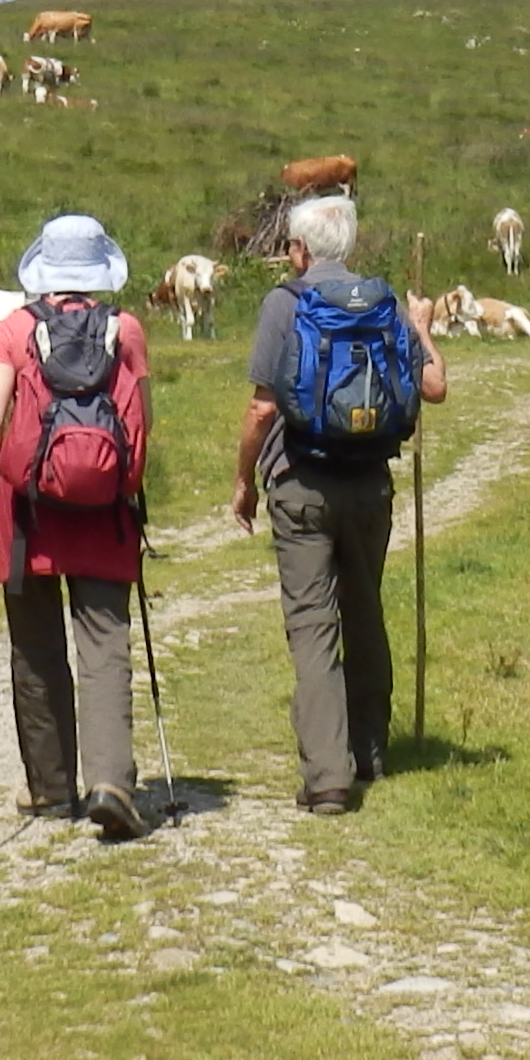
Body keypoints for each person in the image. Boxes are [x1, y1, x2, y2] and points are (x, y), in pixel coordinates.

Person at [231, 190, 446, 814]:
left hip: (300, 482)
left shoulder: (285, 304)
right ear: (347, 247)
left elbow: (262, 406)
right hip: (369, 484)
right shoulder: (382, 304)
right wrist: (423, 327)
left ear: (299, 251)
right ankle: (371, 751)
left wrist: (245, 481)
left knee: (312, 625)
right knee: (363, 610)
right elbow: (433, 385)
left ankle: (328, 776)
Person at [0, 213, 155, 842]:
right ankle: (110, 782)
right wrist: (122, 484)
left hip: (28, 512)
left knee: (37, 647)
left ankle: (51, 790)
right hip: (104, 510)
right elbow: (143, 422)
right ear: (100, 270)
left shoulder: (15, 330)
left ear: (43, 269)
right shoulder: (125, 329)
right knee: (104, 646)